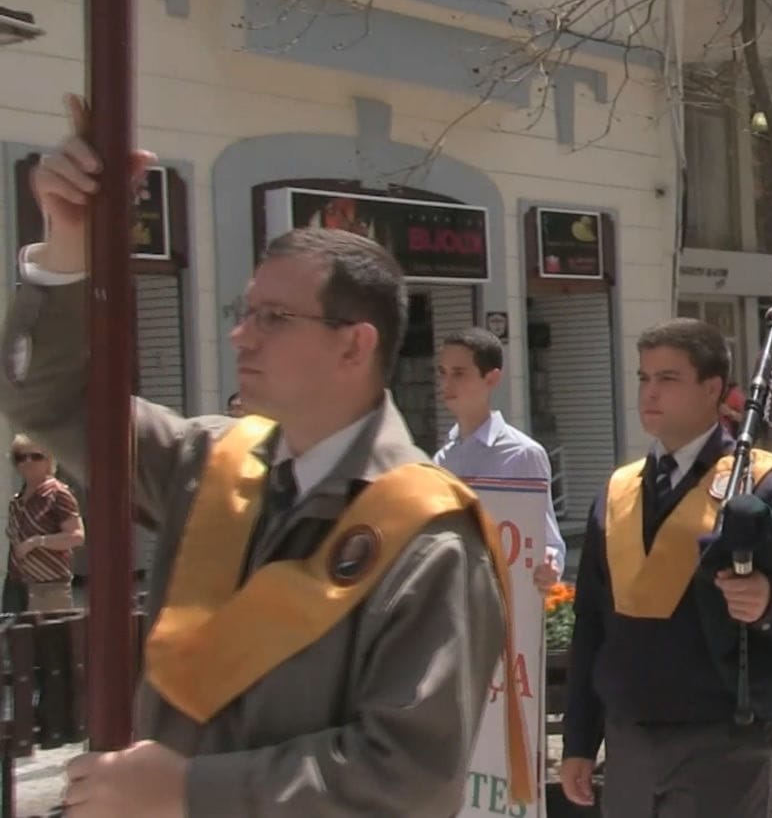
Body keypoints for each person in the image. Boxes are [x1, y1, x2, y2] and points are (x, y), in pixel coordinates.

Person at [4, 102, 523, 817]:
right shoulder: (207, 459)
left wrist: (189, 791)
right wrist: (68, 243)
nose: (242, 337)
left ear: (355, 345)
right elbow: (49, 400)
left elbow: (407, 777)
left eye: (274, 319)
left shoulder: (430, 540)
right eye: (244, 313)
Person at [559, 318, 772, 817]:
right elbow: (592, 626)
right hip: (630, 740)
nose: (650, 393)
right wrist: (580, 741)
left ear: (713, 389)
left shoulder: (766, 484)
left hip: (725, 739)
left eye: (668, 379)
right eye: (644, 378)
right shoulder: (616, 491)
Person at [434, 326, 565, 590]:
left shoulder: (523, 454)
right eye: (443, 373)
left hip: (508, 603)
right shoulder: (441, 459)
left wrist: (549, 565)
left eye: (459, 373)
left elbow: (548, 540)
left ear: (491, 379)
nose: (447, 385)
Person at [5, 435, 84, 613]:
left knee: (49, 640)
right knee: (15, 639)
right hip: (16, 585)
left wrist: (36, 542)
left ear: (48, 460)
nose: (28, 462)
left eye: (35, 456)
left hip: (49, 588)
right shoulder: (17, 501)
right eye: (21, 457)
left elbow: (77, 536)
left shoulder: (58, 494)